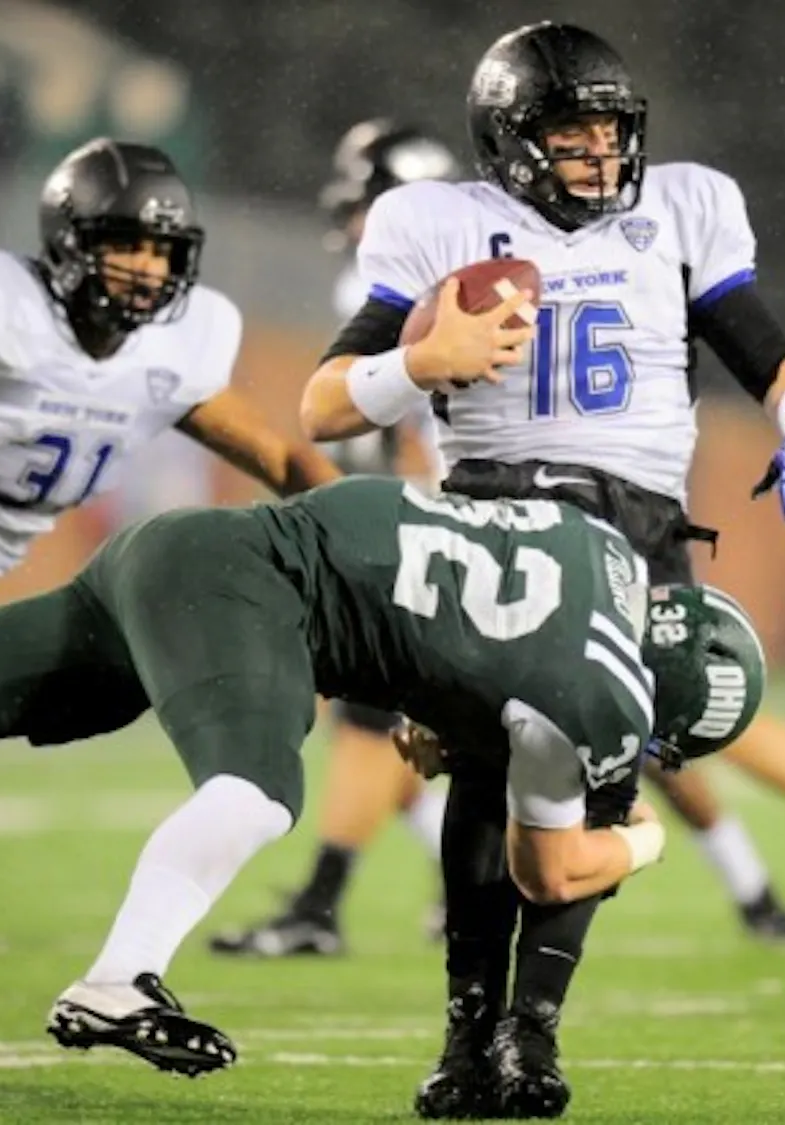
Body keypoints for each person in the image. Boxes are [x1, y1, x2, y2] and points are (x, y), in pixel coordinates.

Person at [298, 21, 785, 1117]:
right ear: (511, 142)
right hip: (492, 514)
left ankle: (534, 1032)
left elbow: (763, 342)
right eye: (572, 136)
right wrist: (420, 363)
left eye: (612, 133)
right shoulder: (439, 223)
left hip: (635, 528)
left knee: (590, 785)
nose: (600, 156)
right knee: (484, 775)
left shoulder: (685, 207)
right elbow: (325, 402)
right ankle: (469, 1036)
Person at [0, 476, 764, 1078]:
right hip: (253, 592)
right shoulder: (606, 699)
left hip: (184, 547)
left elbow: (461, 601)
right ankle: (118, 980)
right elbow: (546, 875)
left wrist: (439, 717)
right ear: (668, 706)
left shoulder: (600, 551)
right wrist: (644, 838)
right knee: (257, 790)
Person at [0, 136, 338, 1054]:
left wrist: (363, 541)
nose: (147, 267)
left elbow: (281, 458)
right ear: (70, 241)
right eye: (127, 243)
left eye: (163, 250)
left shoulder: (172, 353)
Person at [211, 118, 457, 958]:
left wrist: (413, 515)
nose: (354, 223)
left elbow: (400, 423)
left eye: (366, 205)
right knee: (390, 718)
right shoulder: (477, 270)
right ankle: (382, 896)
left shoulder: (386, 288)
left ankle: (330, 905)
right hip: (449, 517)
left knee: (382, 716)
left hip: (433, 521)